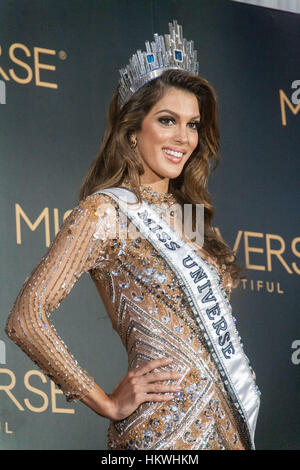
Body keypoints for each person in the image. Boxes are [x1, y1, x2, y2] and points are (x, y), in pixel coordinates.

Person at [5, 20, 260, 450]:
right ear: (132, 128)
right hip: (161, 432)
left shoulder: (191, 217)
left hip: (228, 428)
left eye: (194, 125)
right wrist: (104, 401)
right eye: (167, 120)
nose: (184, 138)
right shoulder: (105, 211)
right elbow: (26, 318)